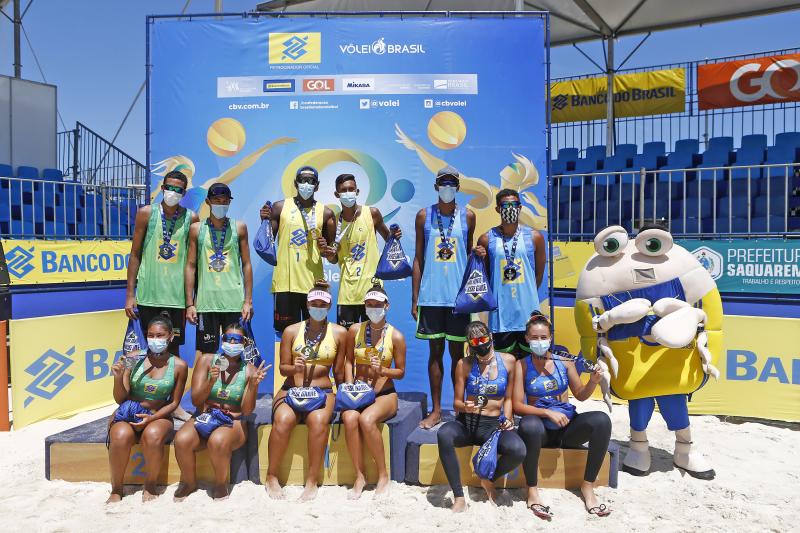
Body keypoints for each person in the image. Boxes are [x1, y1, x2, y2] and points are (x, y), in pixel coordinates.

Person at [513, 312, 612, 519]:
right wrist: (547, 412)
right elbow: (516, 406)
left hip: (565, 429)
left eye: (543, 337)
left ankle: (588, 486)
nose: (539, 342)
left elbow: (581, 396)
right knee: (529, 425)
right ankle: (532, 489)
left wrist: (593, 381)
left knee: (601, 420)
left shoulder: (564, 363)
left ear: (550, 338)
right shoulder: (521, 365)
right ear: (527, 339)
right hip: (539, 430)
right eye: (534, 338)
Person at [267, 280, 347, 501]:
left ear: (329, 306)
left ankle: (312, 480)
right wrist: (295, 367)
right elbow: (284, 369)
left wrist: (344, 398)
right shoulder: (291, 331)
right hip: (292, 388)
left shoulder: (340, 333)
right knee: (282, 420)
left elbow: (339, 371)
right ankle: (271, 476)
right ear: (307, 304)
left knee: (319, 421)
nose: (318, 307)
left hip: (322, 391)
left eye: (323, 304)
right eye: (314, 303)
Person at [436, 321, 525, 513]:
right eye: (474, 341)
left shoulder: (509, 361)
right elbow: (456, 403)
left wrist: (508, 419)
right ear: (470, 343)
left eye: (483, 339)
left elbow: (508, 398)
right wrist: (465, 407)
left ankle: (488, 479)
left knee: (518, 450)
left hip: (493, 425)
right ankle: (459, 496)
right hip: (467, 423)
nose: (480, 344)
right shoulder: (464, 364)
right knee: (444, 434)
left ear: (491, 337)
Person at [173, 323, 268, 501]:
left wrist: (254, 386)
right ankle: (189, 482)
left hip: (233, 421)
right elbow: (196, 400)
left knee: (218, 440)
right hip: (206, 416)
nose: (232, 342)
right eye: (227, 338)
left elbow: (247, 410)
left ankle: (220, 483)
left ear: (245, 343)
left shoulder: (250, 370)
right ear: (222, 340)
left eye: (237, 339)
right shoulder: (207, 360)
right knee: (181, 439)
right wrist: (211, 381)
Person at [412, 166, 476, 428]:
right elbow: (418, 258)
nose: (447, 187)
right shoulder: (424, 216)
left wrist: (474, 295)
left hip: (459, 299)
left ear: (458, 187)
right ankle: (437, 410)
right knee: (435, 352)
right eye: (443, 183)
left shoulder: (468, 217)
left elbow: (470, 256)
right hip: (431, 297)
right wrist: (414, 298)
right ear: (436, 186)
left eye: (452, 183)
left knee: (458, 354)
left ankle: (459, 410)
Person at [107, 312, 189, 503]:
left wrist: (151, 418)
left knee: (152, 435)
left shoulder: (179, 366)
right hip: (130, 412)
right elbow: (121, 399)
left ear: (171, 337)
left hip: (158, 415)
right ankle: (117, 488)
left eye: (160, 336)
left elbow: (174, 403)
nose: (154, 339)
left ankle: (150, 484)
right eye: (151, 335)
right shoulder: (132, 357)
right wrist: (118, 378)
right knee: (120, 435)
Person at [340, 284, 406, 499]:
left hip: (384, 394)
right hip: (358, 392)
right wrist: (349, 384)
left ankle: (383, 475)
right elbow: (349, 361)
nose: (373, 308)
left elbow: (401, 372)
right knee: (349, 418)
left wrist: (383, 370)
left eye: (377, 305)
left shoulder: (396, 336)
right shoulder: (354, 330)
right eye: (369, 305)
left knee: (367, 420)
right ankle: (360, 476)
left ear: (387, 306)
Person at [125, 169, 199, 355]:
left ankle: (173, 385)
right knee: (149, 347)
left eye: (178, 189)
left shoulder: (191, 218)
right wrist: (130, 295)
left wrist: (192, 301)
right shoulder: (146, 213)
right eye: (169, 187)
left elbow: (193, 263)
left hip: (177, 298)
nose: (173, 192)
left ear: (183, 193)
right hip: (148, 296)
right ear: (163, 188)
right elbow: (134, 255)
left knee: (173, 350)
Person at [258, 166, 336, 333]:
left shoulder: (327, 213)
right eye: (303, 180)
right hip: (285, 283)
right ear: (295, 183)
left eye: (311, 181)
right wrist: (264, 220)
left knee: (316, 333)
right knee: (285, 334)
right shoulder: (279, 207)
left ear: (317, 185)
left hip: (314, 284)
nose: (306, 184)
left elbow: (331, 255)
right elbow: (266, 241)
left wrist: (326, 250)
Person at [323, 173, 402, 329]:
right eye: (343, 190)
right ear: (336, 194)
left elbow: (389, 241)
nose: (348, 193)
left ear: (357, 191)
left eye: (351, 189)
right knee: (347, 340)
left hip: (373, 289)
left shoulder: (372, 214)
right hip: (348, 292)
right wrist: (330, 255)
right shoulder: (333, 223)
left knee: (375, 337)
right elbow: (333, 259)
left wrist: (395, 237)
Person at [474, 189, 546, 359]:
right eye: (506, 205)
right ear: (498, 209)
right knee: (504, 366)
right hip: (501, 316)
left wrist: (525, 295)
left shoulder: (535, 237)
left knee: (531, 364)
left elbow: (538, 275)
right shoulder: (486, 239)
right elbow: (483, 276)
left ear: (520, 207)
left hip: (528, 315)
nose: (510, 208)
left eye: (514, 205)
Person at [185, 183, 254, 359]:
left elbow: (246, 264)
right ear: (208, 202)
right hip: (206, 302)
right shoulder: (197, 229)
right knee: (205, 355)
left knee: (236, 352)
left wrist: (248, 301)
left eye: (225, 201)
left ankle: (232, 387)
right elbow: (190, 266)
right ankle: (204, 387)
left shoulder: (239, 227)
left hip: (234, 301)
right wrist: (190, 304)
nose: (221, 204)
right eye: (217, 200)